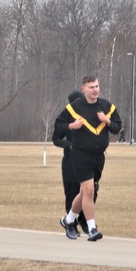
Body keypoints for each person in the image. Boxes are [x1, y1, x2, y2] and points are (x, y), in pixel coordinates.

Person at [56, 75, 121, 242]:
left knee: (84, 191)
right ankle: (92, 228)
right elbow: (58, 128)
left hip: (98, 157)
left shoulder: (107, 106)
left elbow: (117, 127)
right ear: (83, 88)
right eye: (91, 87)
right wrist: (72, 126)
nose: (95, 90)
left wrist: (106, 120)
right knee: (89, 190)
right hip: (80, 155)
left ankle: (69, 220)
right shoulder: (73, 108)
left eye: (97, 86)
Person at [52, 90, 93, 236]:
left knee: (89, 191)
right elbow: (56, 138)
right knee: (71, 191)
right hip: (70, 159)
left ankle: (85, 221)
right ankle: (71, 224)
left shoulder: (90, 116)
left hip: (87, 159)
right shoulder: (67, 119)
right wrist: (68, 144)